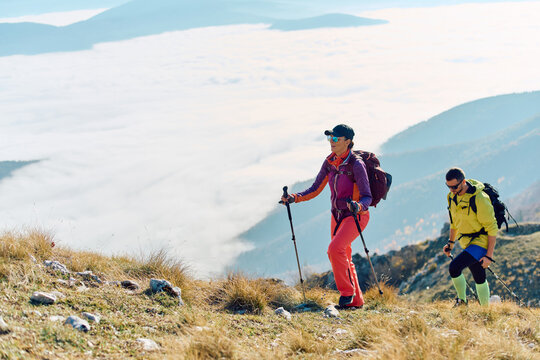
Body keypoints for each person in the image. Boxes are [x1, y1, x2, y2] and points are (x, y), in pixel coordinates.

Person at [280, 124, 372, 308]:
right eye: (330, 138)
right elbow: (315, 188)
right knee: (343, 255)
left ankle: (346, 294)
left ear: (348, 141)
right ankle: (356, 302)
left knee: (334, 249)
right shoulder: (330, 162)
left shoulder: (357, 164)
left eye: (336, 139)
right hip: (336, 216)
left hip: (355, 216)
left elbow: (367, 196)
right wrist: (293, 198)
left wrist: (358, 206)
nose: (331, 142)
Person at [443, 167, 497, 307]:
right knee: (479, 276)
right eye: (448, 186)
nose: (451, 190)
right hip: (466, 242)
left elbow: (492, 227)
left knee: (454, 268)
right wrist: (451, 243)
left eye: (454, 186)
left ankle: (462, 302)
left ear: (463, 182)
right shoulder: (451, 197)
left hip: (481, 241)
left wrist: (489, 256)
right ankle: (486, 311)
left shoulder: (479, 198)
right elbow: (454, 222)